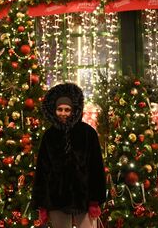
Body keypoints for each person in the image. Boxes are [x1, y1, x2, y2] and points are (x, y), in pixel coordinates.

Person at [32, 83, 106, 228]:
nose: (63, 113)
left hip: (84, 199)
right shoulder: (49, 136)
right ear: (54, 110)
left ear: (74, 111)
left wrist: (95, 200)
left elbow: (96, 168)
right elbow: (42, 171)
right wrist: (42, 204)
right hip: (56, 200)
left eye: (67, 110)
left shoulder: (88, 133)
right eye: (60, 109)